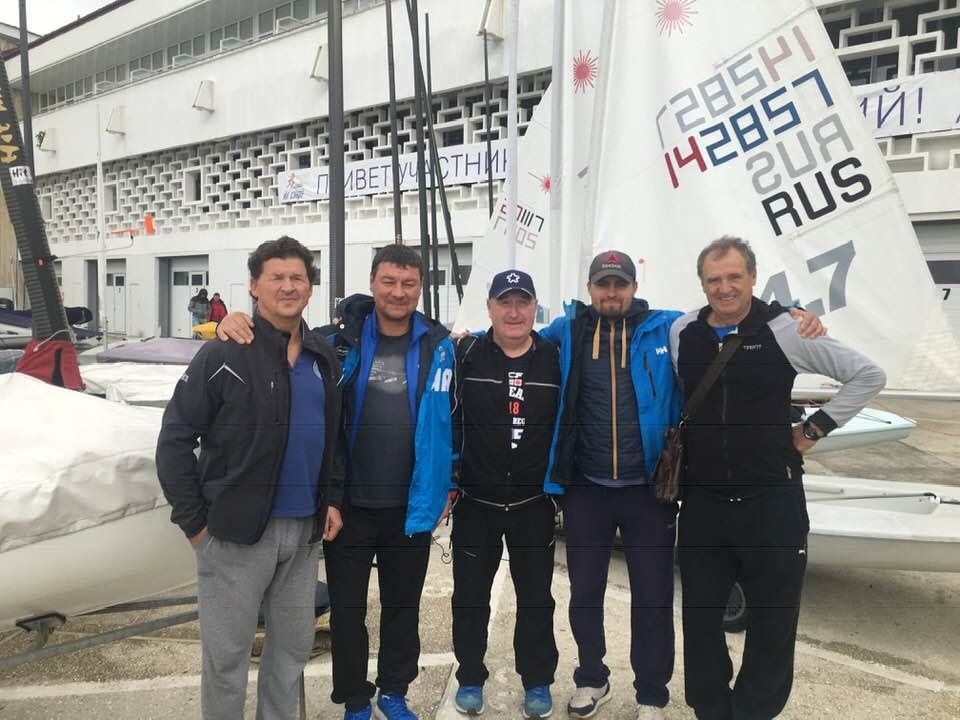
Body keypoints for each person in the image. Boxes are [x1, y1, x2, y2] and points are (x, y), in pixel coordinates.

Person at [537, 251, 822, 720]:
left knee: (653, 599)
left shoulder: (666, 326)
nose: (612, 292)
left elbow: (726, 312)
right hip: (586, 488)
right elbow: (513, 333)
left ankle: (651, 694)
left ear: (634, 287)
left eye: (620, 284)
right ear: (589, 288)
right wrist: (464, 339)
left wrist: (790, 313)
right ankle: (591, 678)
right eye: (603, 284)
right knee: (584, 594)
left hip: (651, 490)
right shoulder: (566, 331)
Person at [217, 243, 455, 720]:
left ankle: (394, 691)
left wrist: (451, 480)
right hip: (346, 504)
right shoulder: (334, 342)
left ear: (420, 288)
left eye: (408, 284)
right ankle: (355, 698)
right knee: (347, 610)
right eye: (389, 281)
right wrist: (232, 321)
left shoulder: (440, 345)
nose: (398, 292)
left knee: (402, 607)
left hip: (411, 503)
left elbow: (457, 416)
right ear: (372, 283)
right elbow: (280, 335)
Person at [670, 236, 885, 720]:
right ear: (702, 284)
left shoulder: (787, 329)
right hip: (703, 504)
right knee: (700, 621)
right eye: (714, 279)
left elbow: (868, 376)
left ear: (752, 278)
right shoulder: (683, 331)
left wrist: (812, 430)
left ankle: (753, 712)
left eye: (734, 277)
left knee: (773, 623)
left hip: (771, 502)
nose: (724, 288)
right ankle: (710, 710)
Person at [156, 236, 344, 720]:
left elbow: (334, 438)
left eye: (297, 277)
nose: (288, 286)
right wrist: (195, 526)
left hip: (303, 535)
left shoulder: (323, 357)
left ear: (310, 287)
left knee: (291, 654)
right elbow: (175, 439)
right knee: (227, 660)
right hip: (234, 536)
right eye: (276, 277)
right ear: (255, 286)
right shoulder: (225, 352)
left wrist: (333, 499)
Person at [450, 269, 561, 719]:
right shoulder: (465, 353)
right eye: (505, 302)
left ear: (535, 307)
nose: (514, 312)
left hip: (533, 505)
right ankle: (470, 677)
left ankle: (537, 680)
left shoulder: (555, 357)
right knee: (469, 599)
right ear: (490, 307)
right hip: (476, 502)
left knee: (536, 600)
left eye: (523, 302)